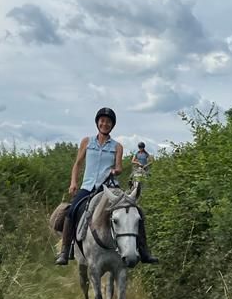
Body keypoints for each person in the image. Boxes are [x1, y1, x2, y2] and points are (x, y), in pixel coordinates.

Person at [55, 107, 159, 265]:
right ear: (97, 122)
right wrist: (73, 182)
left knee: (136, 210)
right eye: (102, 121)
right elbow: (77, 164)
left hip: (109, 187)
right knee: (72, 211)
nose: (105, 124)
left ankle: (144, 251)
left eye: (108, 122)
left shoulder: (117, 146)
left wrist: (115, 170)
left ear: (112, 125)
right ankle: (65, 250)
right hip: (88, 185)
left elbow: (119, 167)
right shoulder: (86, 142)